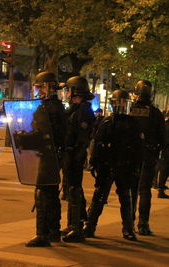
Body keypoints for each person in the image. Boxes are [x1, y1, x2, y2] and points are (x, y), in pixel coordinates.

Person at [84, 89, 142, 241]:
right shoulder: (107, 122)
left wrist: (135, 167)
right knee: (99, 196)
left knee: (125, 198)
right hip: (107, 165)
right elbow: (97, 143)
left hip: (125, 165)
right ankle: (90, 226)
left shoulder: (132, 124)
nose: (121, 106)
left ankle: (128, 228)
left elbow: (138, 148)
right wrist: (95, 162)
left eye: (124, 103)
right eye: (118, 103)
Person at [25, 72, 67, 247]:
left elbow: (43, 133)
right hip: (54, 154)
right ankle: (53, 231)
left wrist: (25, 139)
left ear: (49, 87)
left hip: (48, 155)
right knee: (51, 193)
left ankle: (41, 233)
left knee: (42, 192)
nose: (39, 91)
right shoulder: (57, 107)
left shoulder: (47, 108)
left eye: (41, 87)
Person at [62, 76, 95, 242]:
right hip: (70, 154)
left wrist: (75, 154)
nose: (66, 93)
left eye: (68, 89)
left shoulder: (83, 111)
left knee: (74, 189)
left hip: (74, 155)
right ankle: (73, 224)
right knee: (72, 189)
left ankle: (76, 227)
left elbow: (82, 138)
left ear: (75, 91)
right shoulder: (75, 108)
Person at [130, 80, 165, 235]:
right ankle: (143, 224)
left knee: (130, 189)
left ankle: (128, 222)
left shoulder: (129, 110)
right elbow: (163, 137)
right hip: (148, 156)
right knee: (144, 190)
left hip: (130, 156)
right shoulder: (155, 113)